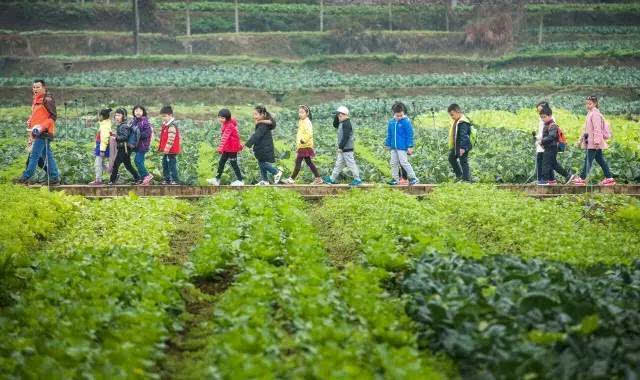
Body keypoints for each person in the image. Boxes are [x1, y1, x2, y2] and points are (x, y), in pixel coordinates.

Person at [17, 79, 60, 184]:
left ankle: (25, 177)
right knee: (47, 155)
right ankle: (54, 177)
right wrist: (30, 121)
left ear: (43, 88)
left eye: (38, 87)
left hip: (44, 132)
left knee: (35, 156)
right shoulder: (36, 100)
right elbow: (38, 115)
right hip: (36, 132)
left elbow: (53, 116)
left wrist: (41, 127)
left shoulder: (47, 99)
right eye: (34, 87)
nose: (35, 89)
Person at [572, 96, 616, 186]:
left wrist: (596, 142)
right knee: (600, 160)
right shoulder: (590, 113)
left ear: (595, 104)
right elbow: (586, 129)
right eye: (587, 103)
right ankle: (609, 178)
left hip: (594, 142)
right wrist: (580, 140)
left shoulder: (595, 114)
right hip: (591, 141)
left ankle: (582, 178)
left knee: (588, 160)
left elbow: (597, 129)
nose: (587, 105)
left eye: (590, 103)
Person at [283, 105, 323, 185]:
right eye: (299, 112)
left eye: (302, 112)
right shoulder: (301, 121)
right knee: (308, 162)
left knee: (298, 162)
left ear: (307, 113)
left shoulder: (307, 122)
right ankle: (318, 178)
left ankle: (291, 179)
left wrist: (303, 140)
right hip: (302, 146)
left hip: (305, 145)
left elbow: (309, 133)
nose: (300, 114)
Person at [323, 106, 362, 186]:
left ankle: (357, 179)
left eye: (340, 116)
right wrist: (337, 115)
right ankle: (332, 178)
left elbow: (346, 136)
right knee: (338, 164)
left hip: (347, 148)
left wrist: (341, 147)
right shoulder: (341, 123)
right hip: (343, 149)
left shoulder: (347, 123)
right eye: (338, 116)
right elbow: (334, 124)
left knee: (351, 164)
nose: (339, 118)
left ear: (345, 115)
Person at [245, 105, 282, 185]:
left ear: (262, 114)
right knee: (261, 162)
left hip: (264, 148)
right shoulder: (263, 123)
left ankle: (276, 172)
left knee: (262, 163)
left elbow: (256, 135)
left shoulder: (263, 125)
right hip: (262, 147)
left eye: (256, 114)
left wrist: (248, 144)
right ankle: (265, 180)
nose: (254, 116)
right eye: (253, 114)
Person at [385, 102, 418, 185]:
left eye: (401, 115)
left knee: (404, 162)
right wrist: (388, 144)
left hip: (402, 147)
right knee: (393, 163)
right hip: (393, 147)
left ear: (403, 113)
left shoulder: (406, 122)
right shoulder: (391, 122)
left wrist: (410, 146)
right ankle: (395, 179)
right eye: (397, 115)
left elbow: (409, 135)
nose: (399, 117)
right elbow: (389, 134)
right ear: (394, 113)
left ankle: (413, 178)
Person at [208, 108, 244, 186]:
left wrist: (220, 147)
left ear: (227, 118)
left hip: (232, 148)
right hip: (227, 148)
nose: (220, 119)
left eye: (222, 118)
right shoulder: (226, 123)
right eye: (219, 117)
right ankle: (217, 179)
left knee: (233, 163)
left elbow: (225, 137)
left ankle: (240, 180)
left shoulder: (229, 125)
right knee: (221, 162)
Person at [109, 108, 140, 185]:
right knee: (128, 165)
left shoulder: (124, 126)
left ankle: (112, 180)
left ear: (124, 116)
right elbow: (123, 136)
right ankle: (138, 178)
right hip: (124, 148)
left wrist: (115, 137)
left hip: (124, 149)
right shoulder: (122, 125)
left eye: (119, 115)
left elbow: (125, 137)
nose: (117, 117)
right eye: (116, 115)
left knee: (116, 164)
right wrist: (116, 135)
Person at [447, 103, 472, 182]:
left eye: (452, 115)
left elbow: (464, 136)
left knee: (463, 161)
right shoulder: (458, 121)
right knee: (451, 158)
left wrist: (463, 148)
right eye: (451, 115)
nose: (452, 117)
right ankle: (459, 175)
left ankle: (466, 179)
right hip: (457, 145)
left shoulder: (463, 122)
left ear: (457, 111)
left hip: (462, 146)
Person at [157, 105, 181, 185]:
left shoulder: (171, 126)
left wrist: (167, 148)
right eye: (162, 116)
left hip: (171, 150)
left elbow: (171, 139)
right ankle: (167, 179)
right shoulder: (165, 125)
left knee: (171, 165)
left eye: (165, 116)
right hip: (167, 150)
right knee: (165, 164)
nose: (163, 118)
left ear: (170, 115)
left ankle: (175, 179)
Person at [131, 105, 154, 186]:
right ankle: (144, 179)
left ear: (143, 112)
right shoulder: (134, 121)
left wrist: (138, 135)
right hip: (137, 145)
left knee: (137, 160)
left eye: (140, 111)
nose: (138, 112)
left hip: (143, 145)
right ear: (133, 112)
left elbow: (148, 133)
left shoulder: (145, 121)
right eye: (136, 110)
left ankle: (147, 175)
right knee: (139, 161)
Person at [89, 108, 112, 185]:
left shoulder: (104, 126)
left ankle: (98, 180)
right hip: (101, 146)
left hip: (102, 147)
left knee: (97, 163)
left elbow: (104, 139)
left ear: (102, 116)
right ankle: (114, 173)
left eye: (99, 116)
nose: (98, 117)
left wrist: (102, 150)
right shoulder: (104, 124)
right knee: (101, 163)